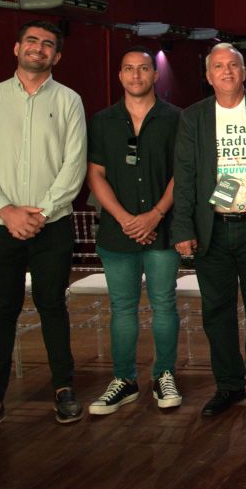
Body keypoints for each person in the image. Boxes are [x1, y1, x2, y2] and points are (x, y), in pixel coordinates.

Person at [0, 20, 87, 441]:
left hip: (53, 225)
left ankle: (64, 389)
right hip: (0, 224)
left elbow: (74, 165)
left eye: (48, 44)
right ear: (17, 48)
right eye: (31, 41)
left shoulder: (69, 101)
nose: (39, 48)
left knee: (53, 306)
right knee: (2, 311)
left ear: (57, 56)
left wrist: (41, 213)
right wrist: (7, 211)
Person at [172, 42, 246, 416]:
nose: (226, 71)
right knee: (217, 311)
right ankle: (229, 385)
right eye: (218, 66)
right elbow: (185, 175)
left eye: (233, 65)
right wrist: (182, 227)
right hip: (212, 227)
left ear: (244, 72)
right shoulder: (193, 117)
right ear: (208, 76)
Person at [86, 47, 183, 415]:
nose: (136, 75)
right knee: (122, 308)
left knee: (164, 305)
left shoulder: (176, 118)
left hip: (163, 230)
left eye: (143, 68)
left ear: (155, 75)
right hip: (117, 232)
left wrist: (154, 215)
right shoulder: (102, 121)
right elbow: (95, 174)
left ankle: (164, 375)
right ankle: (123, 380)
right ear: (120, 75)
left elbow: (182, 173)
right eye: (129, 69)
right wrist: (126, 218)